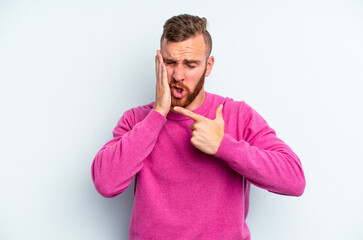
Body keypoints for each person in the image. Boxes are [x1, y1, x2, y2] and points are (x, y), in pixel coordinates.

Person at [91, 13, 305, 240]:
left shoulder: (236, 115)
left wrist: (224, 146)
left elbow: (294, 180)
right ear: (158, 62)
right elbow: (106, 183)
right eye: (170, 62)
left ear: (208, 66)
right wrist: (158, 115)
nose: (178, 75)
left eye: (191, 65)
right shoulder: (136, 120)